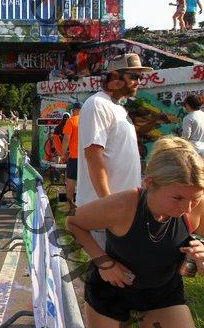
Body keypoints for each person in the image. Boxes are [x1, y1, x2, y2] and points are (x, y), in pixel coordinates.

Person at [66, 136, 204, 328]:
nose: (187, 208)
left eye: (195, 198)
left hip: (162, 292)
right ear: (149, 183)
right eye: (177, 198)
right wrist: (103, 262)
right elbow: (73, 221)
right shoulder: (125, 204)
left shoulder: (196, 205)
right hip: (112, 290)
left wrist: (201, 253)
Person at [77, 53, 153, 248]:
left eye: (140, 77)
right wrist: (108, 206)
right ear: (115, 77)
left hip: (121, 211)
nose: (139, 81)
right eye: (134, 76)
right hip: (106, 213)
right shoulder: (97, 105)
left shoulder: (117, 108)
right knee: (107, 264)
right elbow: (94, 157)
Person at [61, 102, 82, 209]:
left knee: (70, 179)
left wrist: (63, 154)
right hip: (87, 156)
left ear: (75, 110)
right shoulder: (89, 121)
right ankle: (84, 203)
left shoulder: (71, 120)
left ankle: (70, 203)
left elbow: (66, 138)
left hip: (75, 156)